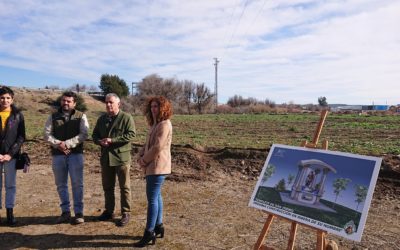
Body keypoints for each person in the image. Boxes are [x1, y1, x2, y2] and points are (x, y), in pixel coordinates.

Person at [44, 91, 89, 224]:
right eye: (64, 100)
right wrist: (58, 144)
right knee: (61, 184)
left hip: (75, 154)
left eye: (69, 101)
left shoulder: (81, 116)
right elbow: (47, 134)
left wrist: (68, 144)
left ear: (74, 103)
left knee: (77, 184)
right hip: (58, 155)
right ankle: (65, 212)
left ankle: (79, 213)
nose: (66, 103)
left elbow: (84, 134)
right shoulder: (52, 116)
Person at [92, 93, 136, 227]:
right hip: (106, 158)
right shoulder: (101, 119)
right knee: (108, 187)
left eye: (111, 102)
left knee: (125, 187)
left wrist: (113, 140)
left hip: (121, 158)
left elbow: (131, 134)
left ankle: (126, 212)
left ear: (119, 104)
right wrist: (100, 141)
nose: (108, 105)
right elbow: (94, 135)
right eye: (106, 102)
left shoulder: (126, 117)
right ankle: (109, 211)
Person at [134, 96, 173, 247]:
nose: (153, 109)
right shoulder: (155, 124)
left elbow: (157, 147)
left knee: (152, 199)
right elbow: (148, 144)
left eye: (156, 106)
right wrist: (140, 155)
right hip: (153, 165)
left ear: (163, 108)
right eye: (152, 107)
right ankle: (158, 226)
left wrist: (144, 160)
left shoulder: (165, 124)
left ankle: (149, 232)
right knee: (156, 197)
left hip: (157, 166)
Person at [0, 86, 26, 225]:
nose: (5, 100)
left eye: (8, 98)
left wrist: (10, 154)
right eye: (2, 97)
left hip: (11, 156)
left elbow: (21, 137)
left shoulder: (18, 115)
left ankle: (10, 213)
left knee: (10, 185)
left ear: (12, 99)